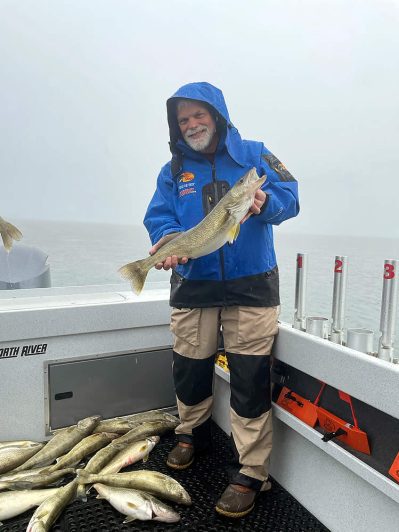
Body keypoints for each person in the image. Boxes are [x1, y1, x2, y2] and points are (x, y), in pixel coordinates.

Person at [144, 82, 299, 518]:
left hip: (252, 287)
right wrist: (167, 241)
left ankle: (252, 470)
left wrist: (266, 201)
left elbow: (292, 195)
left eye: (199, 115)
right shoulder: (172, 170)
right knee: (189, 368)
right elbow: (159, 216)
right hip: (194, 285)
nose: (192, 124)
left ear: (218, 115)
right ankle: (191, 433)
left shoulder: (255, 154)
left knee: (250, 380)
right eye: (183, 119)